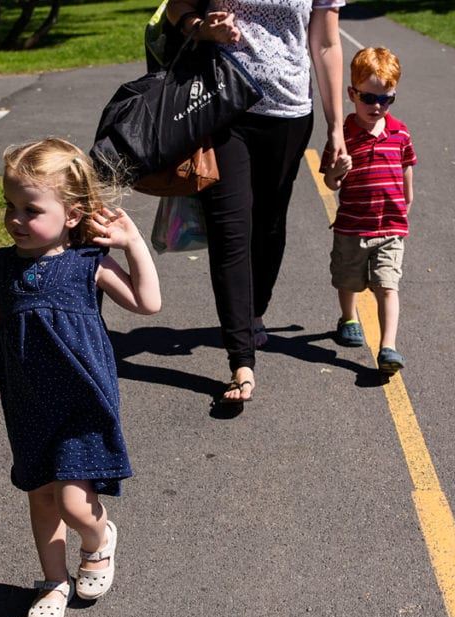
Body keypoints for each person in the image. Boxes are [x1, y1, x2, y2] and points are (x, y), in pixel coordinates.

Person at [0, 138, 161, 617]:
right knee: (42, 497)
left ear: (71, 214)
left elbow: (147, 303)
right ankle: (52, 581)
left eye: (30, 208)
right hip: (27, 403)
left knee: (72, 502)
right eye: (10, 206)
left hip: (82, 399)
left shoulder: (89, 262)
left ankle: (98, 536)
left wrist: (133, 245)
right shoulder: (2, 268)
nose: (16, 219)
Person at [164, 0, 347, 403]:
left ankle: (254, 309)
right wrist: (202, 27)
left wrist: (336, 129)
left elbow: (327, 44)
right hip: (223, 106)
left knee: (269, 223)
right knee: (231, 230)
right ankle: (240, 358)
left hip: (289, 112)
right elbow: (177, 8)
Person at [322, 46, 416, 374]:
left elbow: (406, 169)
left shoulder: (400, 132)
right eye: (369, 98)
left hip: (390, 228)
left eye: (386, 99)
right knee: (347, 279)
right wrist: (338, 169)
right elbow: (331, 183)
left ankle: (388, 347)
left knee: (387, 285)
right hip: (352, 226)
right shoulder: (343, 135)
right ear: (352, 93)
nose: (377, 106)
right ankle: (349, 318)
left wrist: (406, 202)